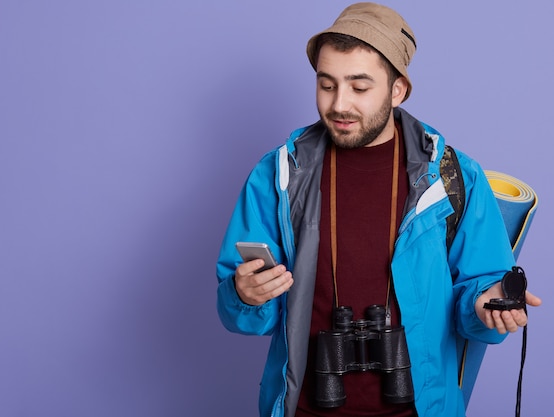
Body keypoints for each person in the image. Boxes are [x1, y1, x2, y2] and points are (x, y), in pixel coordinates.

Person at [216, 3, 541, 417]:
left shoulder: (455, 176)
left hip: (418, 408)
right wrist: (244, 295)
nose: (339, 104)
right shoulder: (278, 174)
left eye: (360, 86)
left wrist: (487, 304)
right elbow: (243, 314)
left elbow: (477, 295)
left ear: (398, 89)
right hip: (305, 406)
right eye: (327, 85)